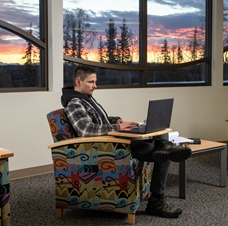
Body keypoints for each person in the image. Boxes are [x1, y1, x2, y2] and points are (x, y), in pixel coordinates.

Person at [61, 65, 192, 218]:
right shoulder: (75, 103)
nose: (95, 86)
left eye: (95, 82)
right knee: (163, 149)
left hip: (112, 141)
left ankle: (165, 147)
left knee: (158, 132)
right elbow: (86, 130)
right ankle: (156, 200)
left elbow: (99, 120)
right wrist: (118, 127)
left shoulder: (86, 99)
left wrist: (118, 120)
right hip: (108, 150)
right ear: (78, 81)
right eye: (91, 82)